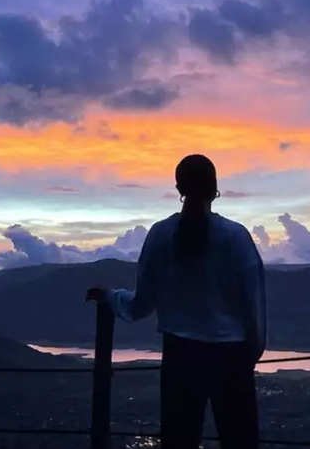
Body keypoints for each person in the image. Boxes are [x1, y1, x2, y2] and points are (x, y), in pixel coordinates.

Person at [87, 154, 266, 449]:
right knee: (240, 441)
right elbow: (253, 305)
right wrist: (250, 354)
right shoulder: (236, 237)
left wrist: (110, 297)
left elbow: (141, 305)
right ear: (215, 189)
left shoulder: (161, 235)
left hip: (180, 355)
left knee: (179, 440)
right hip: (231, 357)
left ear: (178, 188)